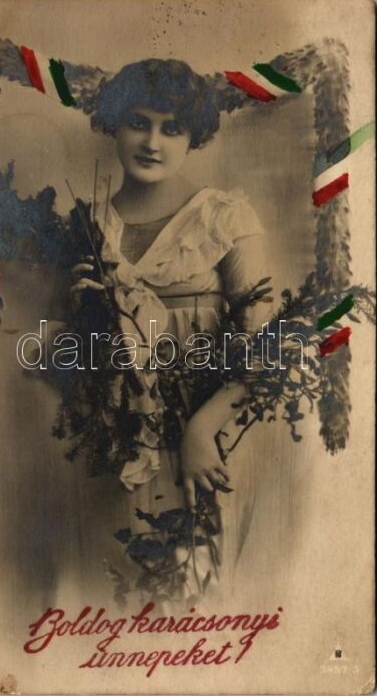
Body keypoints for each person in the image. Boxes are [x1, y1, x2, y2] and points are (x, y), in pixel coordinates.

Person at [70, 58, 273, 607]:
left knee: (194, 592)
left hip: (207, 439)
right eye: (138, 122)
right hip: (116, 450)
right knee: (114, 592)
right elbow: (65, 351)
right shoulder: (89, 225)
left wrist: (202, 429)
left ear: (193, 136)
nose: (153, 142)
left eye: (172, 128)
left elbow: (265, 347)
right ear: (115, 124)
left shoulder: (223, 219)